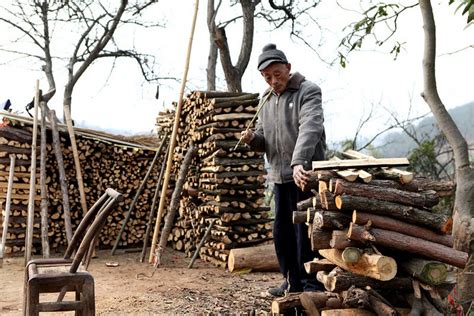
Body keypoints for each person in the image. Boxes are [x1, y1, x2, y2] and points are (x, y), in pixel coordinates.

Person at [241, 43, 326, 296]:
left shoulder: (307, 91)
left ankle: (311, 283)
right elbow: (264, 138)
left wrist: (299, 161)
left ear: (288, 68)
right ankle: (291, 282)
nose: (273, 81)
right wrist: (252, 138)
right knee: (283, 234)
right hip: (279, 177)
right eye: (267, 77)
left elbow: (310, 127)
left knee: (305, 233)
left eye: (277, 74)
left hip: (304, 176)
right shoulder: (266, 99)